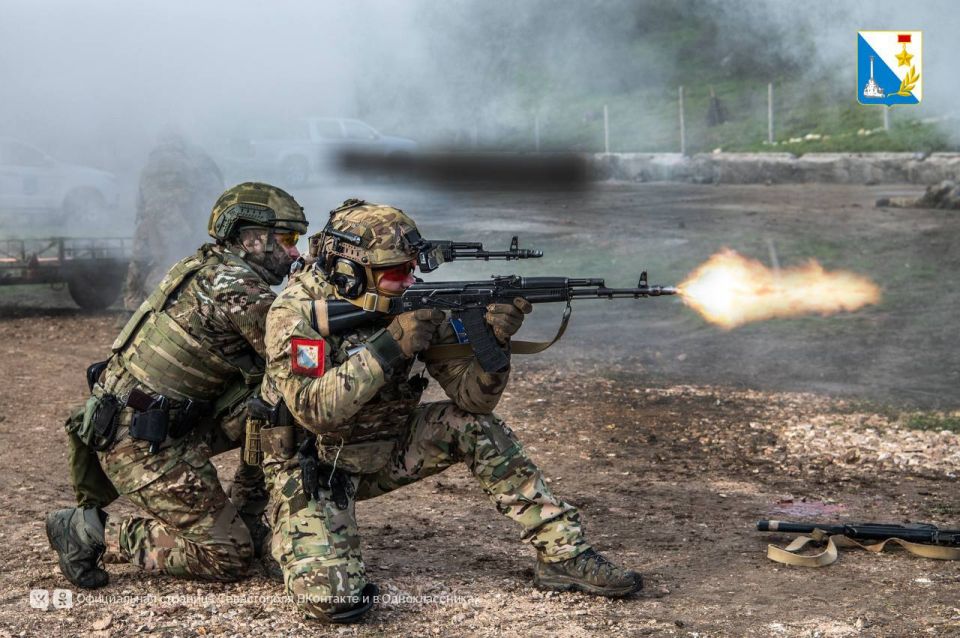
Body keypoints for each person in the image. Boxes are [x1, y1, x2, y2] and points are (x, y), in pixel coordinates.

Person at [255, 199, 642, 623]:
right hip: (313, 463)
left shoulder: (415, 306)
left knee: (473, 426)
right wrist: (391, 346)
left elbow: (474, 399)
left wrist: (494, 346)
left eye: (411, 268)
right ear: (349, 268)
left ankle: (565, 553)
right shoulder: (297, 312)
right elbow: (315, 412)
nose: (408, 280)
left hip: (384, 448)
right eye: (394, 273)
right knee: (332, 603)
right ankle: (272, 524)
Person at [46, 182, 308, 589]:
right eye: (288, 240)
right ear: (252, 238)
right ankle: (92, 533)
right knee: (228, 556)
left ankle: (249, 511)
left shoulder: (211, 265)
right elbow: (302, 356)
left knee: (273, 399)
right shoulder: (236, 288)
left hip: (163, 422)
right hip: (142, 442)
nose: (295, 252)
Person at [122, 134, 226, 314]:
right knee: (168, 264)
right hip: (174, 222)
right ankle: (156, 311)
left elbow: (140, 199)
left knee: (138, 265)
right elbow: (201, 195)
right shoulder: (189, 163)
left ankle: (130, 312)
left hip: (147, 222)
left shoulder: (149, 165)